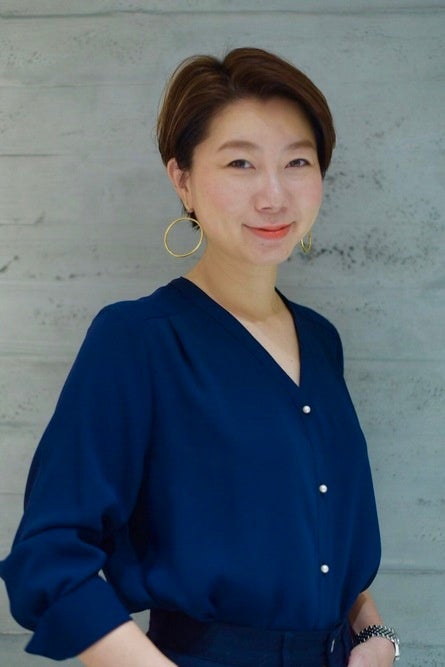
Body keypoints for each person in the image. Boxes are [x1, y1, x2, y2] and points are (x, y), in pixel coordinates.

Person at [0, 47, 400, 667]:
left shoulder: (322, 341)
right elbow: (49, 558)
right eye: (241, 163)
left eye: (297, 162)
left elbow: (323, 547)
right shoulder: (137, 340)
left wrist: (375, 637)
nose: (273, 195)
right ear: (182, 179)